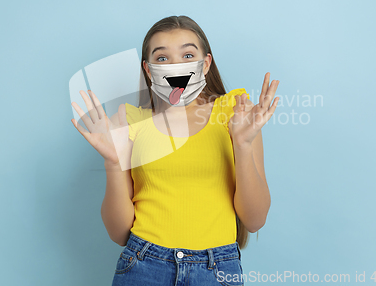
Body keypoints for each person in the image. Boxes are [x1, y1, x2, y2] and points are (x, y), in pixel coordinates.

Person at [71, 15, 279, 285]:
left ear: (206, 64)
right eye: (162, 58)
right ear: (148, 69)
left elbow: (254, 220)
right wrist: (113, 161)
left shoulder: (235, 112)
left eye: (187, 54)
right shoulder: (130, 120)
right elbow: (119, 233)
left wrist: (243, 144)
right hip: (143, 264)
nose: (175, 66)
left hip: (217, 270)